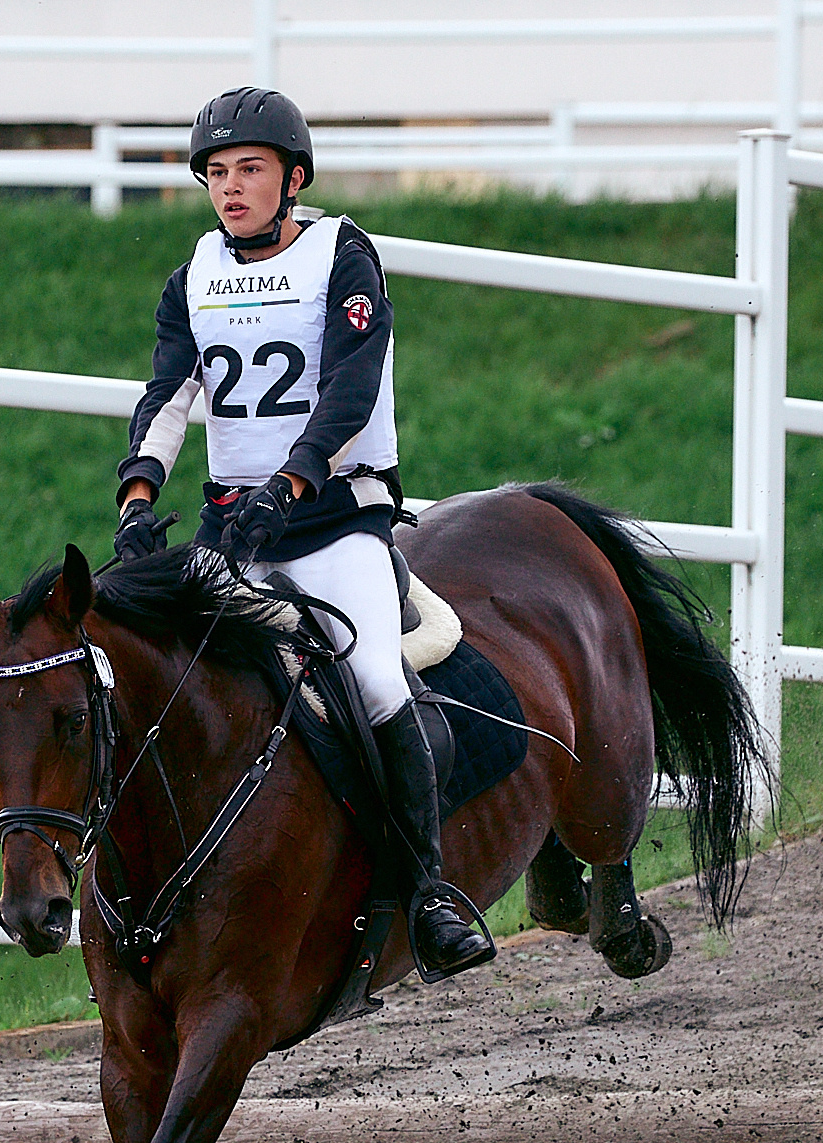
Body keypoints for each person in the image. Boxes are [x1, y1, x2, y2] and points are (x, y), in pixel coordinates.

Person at [113, 85, 494, 981]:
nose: (230, 188)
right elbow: (170, 394)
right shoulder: (194, 276)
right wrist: (136, 498)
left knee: (370, 678)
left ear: (292, 178)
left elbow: (350, 390)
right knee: (156, 678)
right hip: (232, 530)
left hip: (333, 520)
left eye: (249, 169)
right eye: (216, 173)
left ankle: (430, 893)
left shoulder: (341, 255)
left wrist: (289, 482)